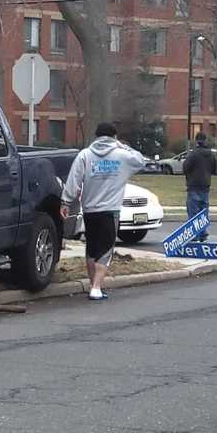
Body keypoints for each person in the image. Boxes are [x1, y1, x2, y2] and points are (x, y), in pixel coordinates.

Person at [60, 123, 146, 300]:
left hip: (90, 209)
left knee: (92, 249)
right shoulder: (122, 155)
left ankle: (93, 285)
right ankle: (97, 287)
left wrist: (66, 202)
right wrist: (123, 146)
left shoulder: (85, 155)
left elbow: (73, 180)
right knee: (105, 249)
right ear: (114, 137)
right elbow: (140, 160)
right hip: (110, 210)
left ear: (96, 136)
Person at [183, 132, 216, 242]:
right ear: (205, 140)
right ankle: (203, 233)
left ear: (196, 141)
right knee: (203, 211)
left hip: (194, 185)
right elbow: (214, 168)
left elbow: (185, 167)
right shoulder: (211, 154)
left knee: (193, 211)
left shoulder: (194, 154)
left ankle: (194, 235)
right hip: (206, 185)